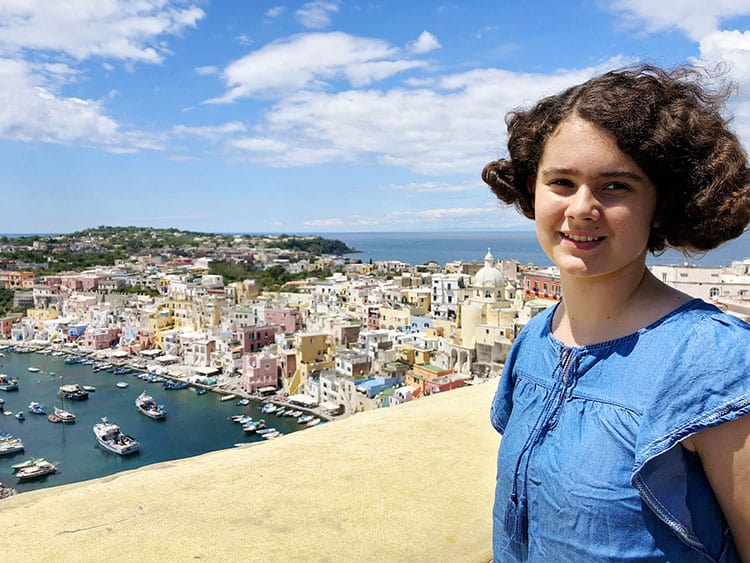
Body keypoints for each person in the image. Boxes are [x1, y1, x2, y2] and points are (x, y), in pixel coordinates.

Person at [482, 65, 750, 562]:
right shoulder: (536, 341)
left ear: (662, 204)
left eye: (616, 186)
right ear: (532, 191)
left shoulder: (718, 363)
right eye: (561, 181)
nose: (582, 208)